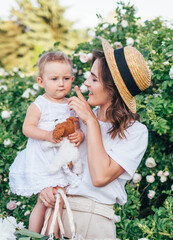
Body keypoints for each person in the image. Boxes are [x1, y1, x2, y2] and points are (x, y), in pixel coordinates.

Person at [39, 38, 151, 239]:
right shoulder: (76, 117)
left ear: (113, 89)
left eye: (94, 79)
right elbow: (49, 157)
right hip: (56, 213)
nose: (86, 83)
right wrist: (45, 188)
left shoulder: (136, 132)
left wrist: (91, 122)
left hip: (92, 220)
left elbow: (100, 177)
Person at [9, 51, 84, 236]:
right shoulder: (39, 104)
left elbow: (77, 126)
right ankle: (39, 234)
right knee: (49, 200)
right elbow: (27, 128)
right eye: (54, 79)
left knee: (55, 199)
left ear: (72, 79)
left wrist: (80, 135)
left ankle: (47, 235)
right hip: (42, 160)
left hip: (59, 160)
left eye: (66, 78)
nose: (61, 83)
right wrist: (47, 135)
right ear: (41, 82)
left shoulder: (71, 105)